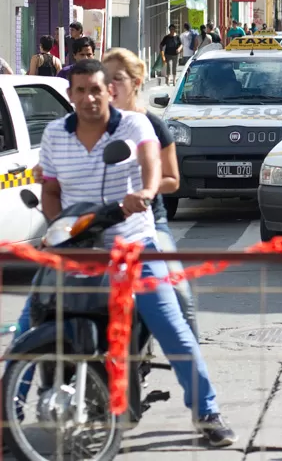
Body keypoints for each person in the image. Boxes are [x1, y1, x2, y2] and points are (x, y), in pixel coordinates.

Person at [29, 59, 236, 446]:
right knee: (31, 319)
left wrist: (145, 191)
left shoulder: (135, 124)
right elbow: (51, 191)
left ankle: (207, 413)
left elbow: (150, 165)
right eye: (80, 90)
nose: (89, 97)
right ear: (69, 94)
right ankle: (10, 414)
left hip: (133, 245)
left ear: (110, 91)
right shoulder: (56, 134)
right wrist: (59, 229)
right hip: (79, 249)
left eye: (96, 89)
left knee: (172, 325)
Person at [102, 47, 199, 338]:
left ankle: (191, 361)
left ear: (136, 81)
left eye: (118, 78)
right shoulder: (95, 123)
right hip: (102, 222)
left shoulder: (154, 125)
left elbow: (172, 180)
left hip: (149, 224)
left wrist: (143, 191)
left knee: (179, 293)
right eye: (105, 78)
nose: (111, 86)